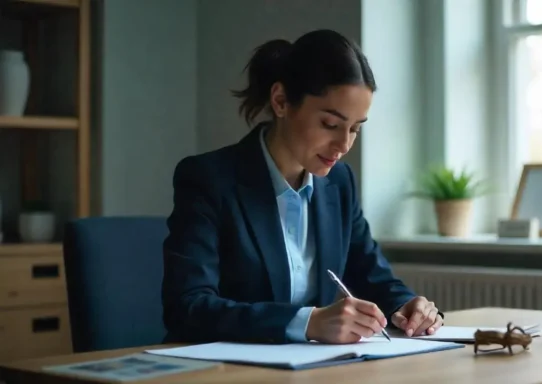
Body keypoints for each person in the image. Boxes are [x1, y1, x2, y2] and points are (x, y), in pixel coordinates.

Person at [161, 29, 443, 345]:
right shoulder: (209, 179)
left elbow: (371, 274)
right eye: (331, 125)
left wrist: (407, 306)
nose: (344, 144)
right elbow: (187, 307)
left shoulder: (339, 182)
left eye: (355, 129)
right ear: (281, 101)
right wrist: (306, 323)